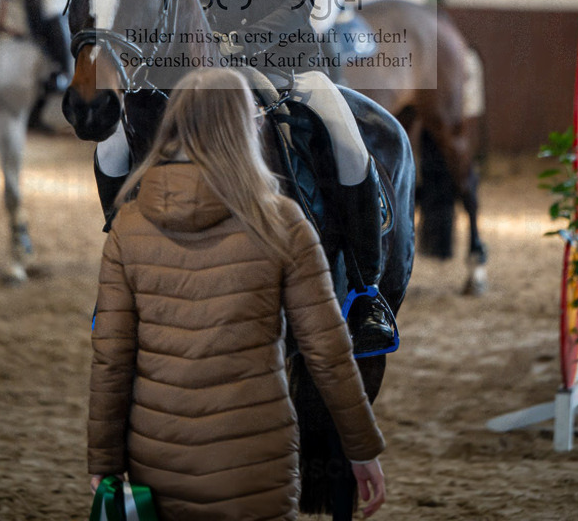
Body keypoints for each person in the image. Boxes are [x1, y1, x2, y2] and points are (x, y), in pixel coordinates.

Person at [88, 68, 386, 521]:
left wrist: (105, 462)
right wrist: (361, 448)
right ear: (249, 126)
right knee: (110, 140)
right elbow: (327, 351)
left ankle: (366, 289)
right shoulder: (284, 223)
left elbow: (111, 363)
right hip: (258, 469)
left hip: (278, 63)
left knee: (343, 132)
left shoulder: (128, 228)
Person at [184, 0, 395, 355]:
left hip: (289, 61)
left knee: (350, 143)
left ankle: (367, 293)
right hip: (218, 60)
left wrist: (240, 41)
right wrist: (208, 33)